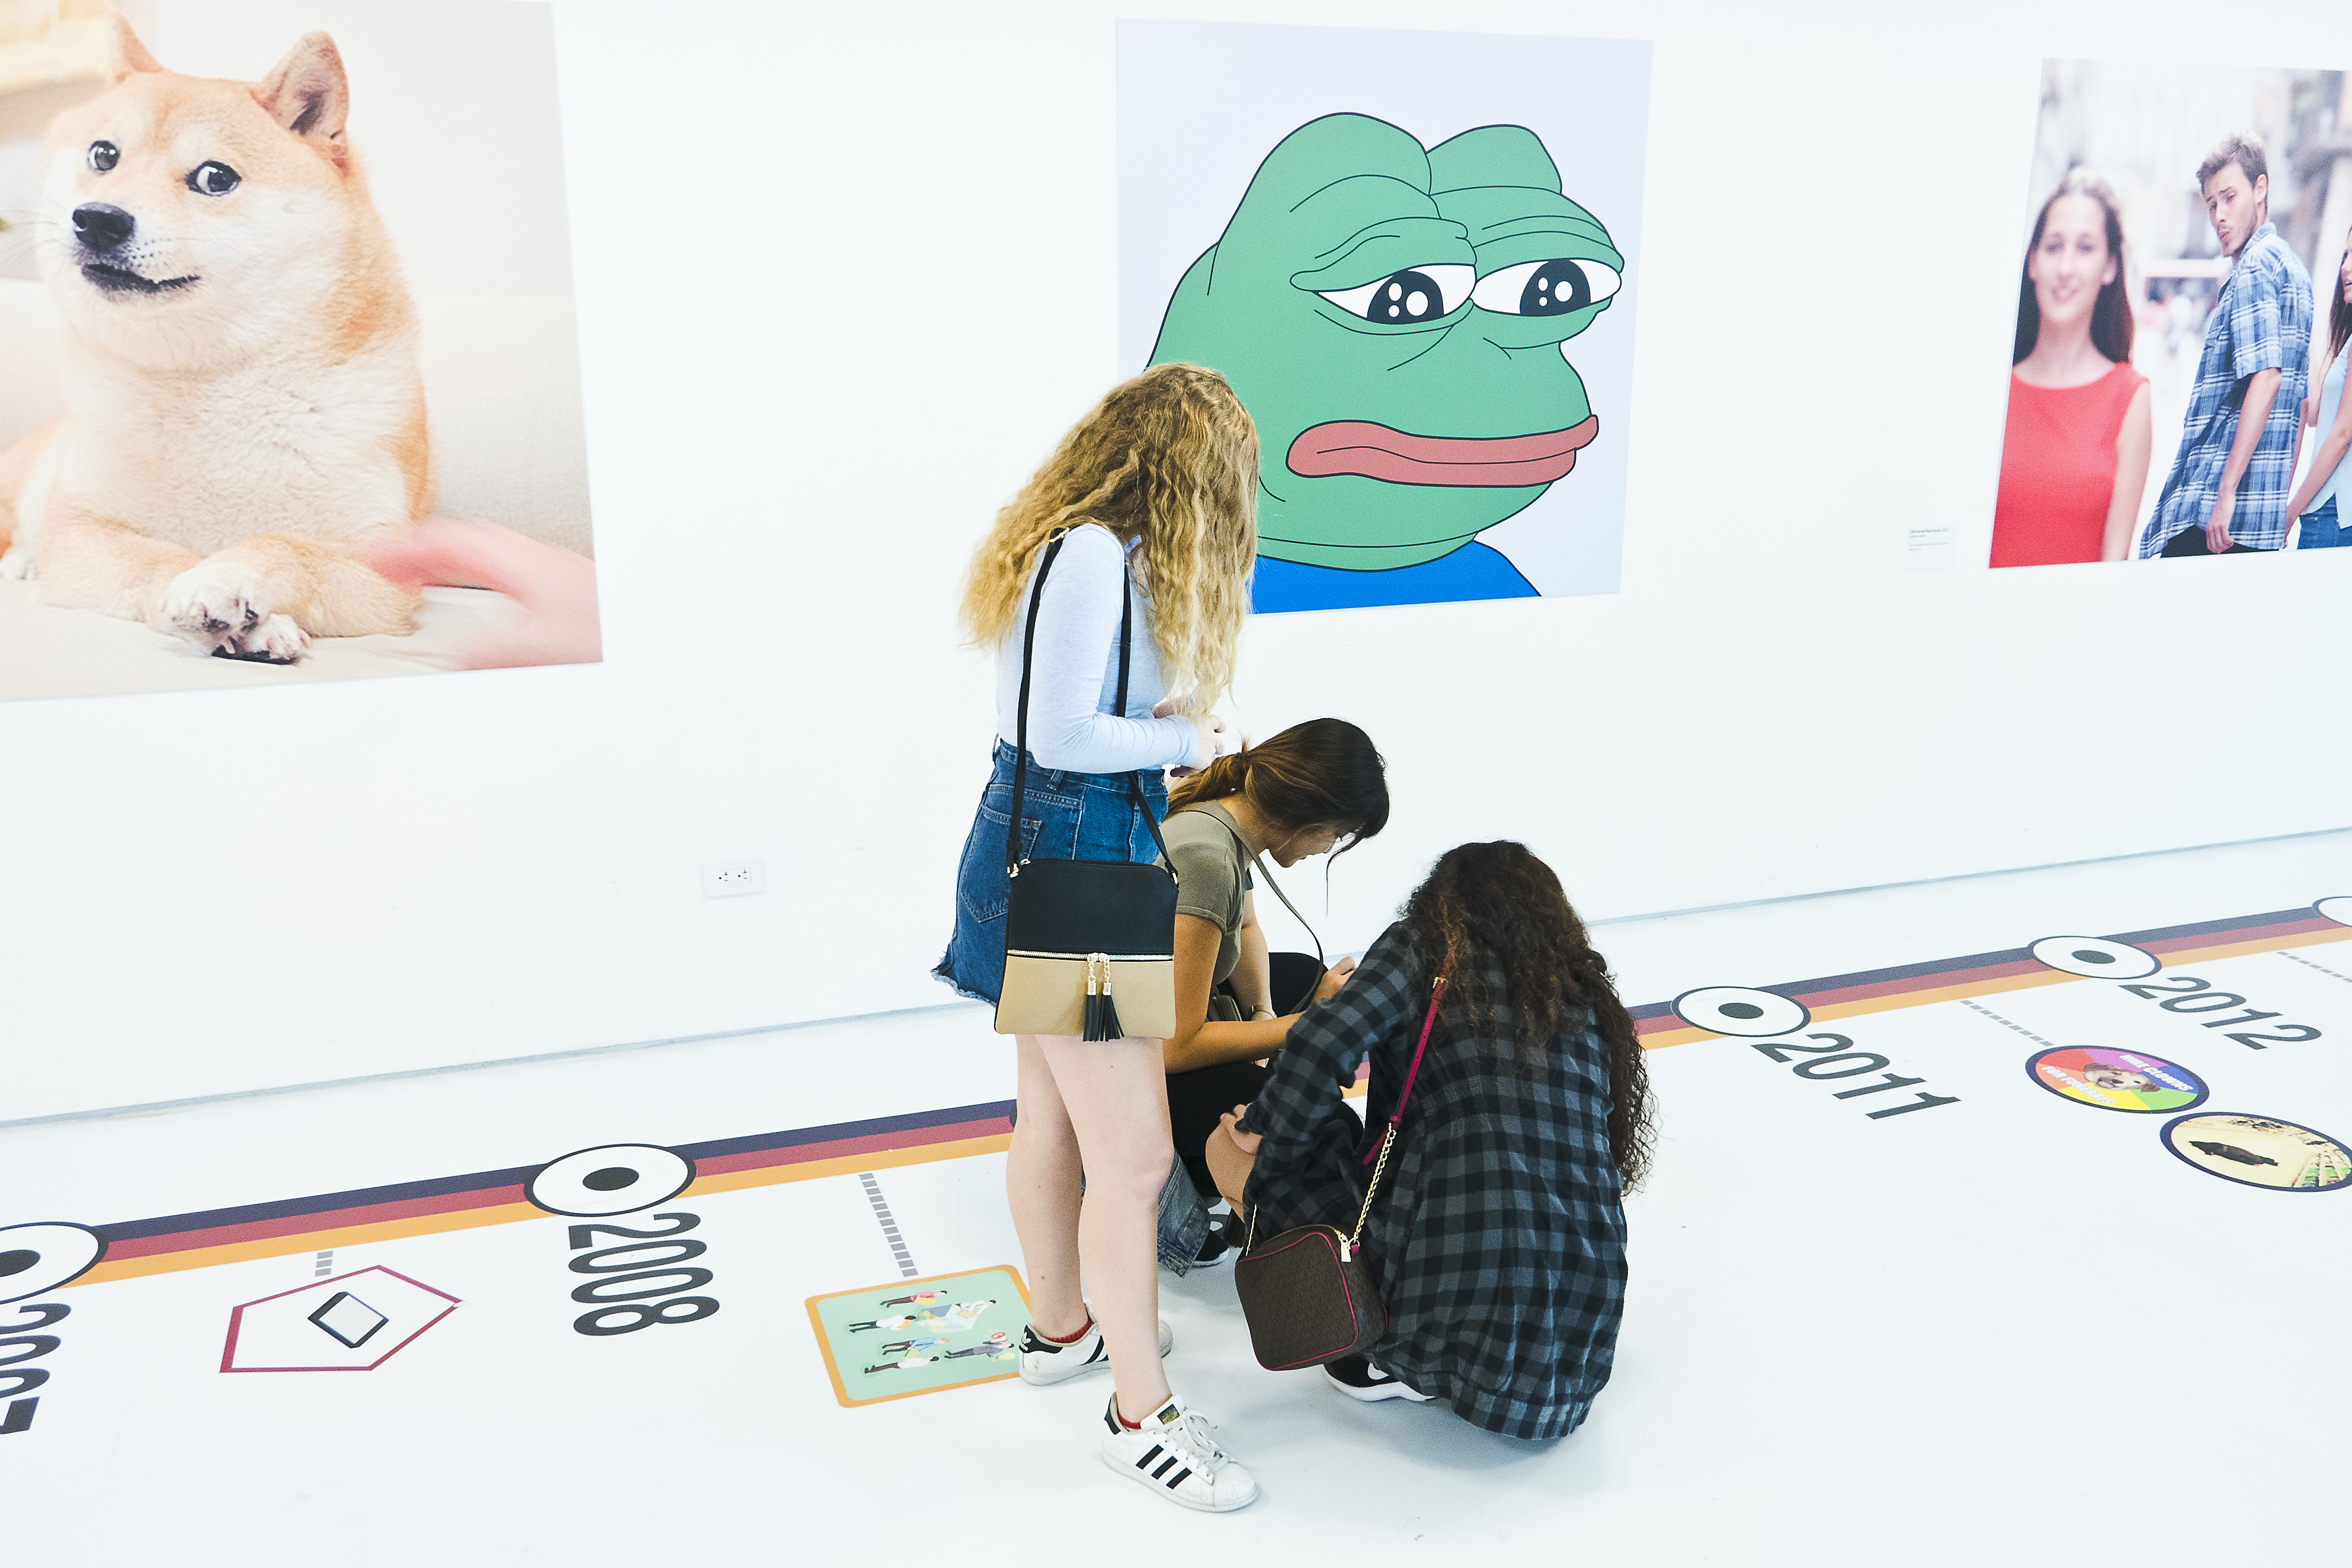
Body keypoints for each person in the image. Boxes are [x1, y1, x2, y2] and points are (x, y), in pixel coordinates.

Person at [934, 361, 1262, 1512]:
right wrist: (1183, 740)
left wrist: (1158, 725)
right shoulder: (1090, 557)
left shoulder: (1076, 544)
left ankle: (1062, 1325)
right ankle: (1139, 1416)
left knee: (1051, 1112)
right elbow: (1067, 734)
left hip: (1048, 844)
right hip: (1075, 851)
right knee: (1134, 1161)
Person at [1205, 841, 1655, 1442]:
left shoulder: (1426, 947)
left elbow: (1319, 1045)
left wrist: (1262, 1135)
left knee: (1229, 1146)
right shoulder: (1581, 992)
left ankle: (1391, 1353)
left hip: (1438, 1276)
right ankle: (1445, 1354)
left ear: (1441, 901)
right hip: (1568, 1356)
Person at [1151, 719, 1391, 1271]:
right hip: (1142, 1063)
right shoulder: (1208, 859)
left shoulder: (1222, 817)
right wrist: (1309, 1024)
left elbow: (1246, 927)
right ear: (1308, 813)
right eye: (1336, 834)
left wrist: (1266, 1013)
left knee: (1303, 975)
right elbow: (1174, 1046)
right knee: (1321, 1124)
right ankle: (1183, 1174)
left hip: (1161, 1019)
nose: (1327, 847)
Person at [2140, 134, 2313, 557]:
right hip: (2258, 521)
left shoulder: (2254, 266)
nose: (2219, 215)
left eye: (2230, 197)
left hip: (2213, 514)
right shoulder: (2295, 271)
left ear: (2260, 188)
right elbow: (2300, 405)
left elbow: (2268, 379)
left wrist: (2226, 492)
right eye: (2211, 204)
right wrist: (2276, 509)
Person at [1991, 172, 2152, 566]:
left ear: (2110, 267)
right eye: (2053, 247)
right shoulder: (1991, 388)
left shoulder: (2130, 397)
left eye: (2085, 248)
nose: (2065, 268)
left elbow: (2114, 564)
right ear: (2033, 262)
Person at [2285, 225, 2352, 549]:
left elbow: (2342, 433)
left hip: (2333, 512)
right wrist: (2303, 322)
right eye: (2346, 255)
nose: (2346, 267)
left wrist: (2290, 512)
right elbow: (2315, 413)